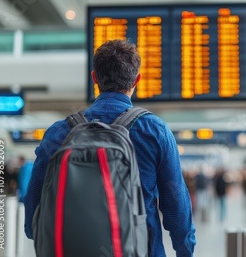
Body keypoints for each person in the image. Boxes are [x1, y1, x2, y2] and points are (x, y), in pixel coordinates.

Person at [24, 39, 196, 257]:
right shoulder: (155, 130)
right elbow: (176, 206)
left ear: (94, 77)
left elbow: (33, 216)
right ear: (137, 80)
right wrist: (185, 250)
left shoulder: (58, 133)